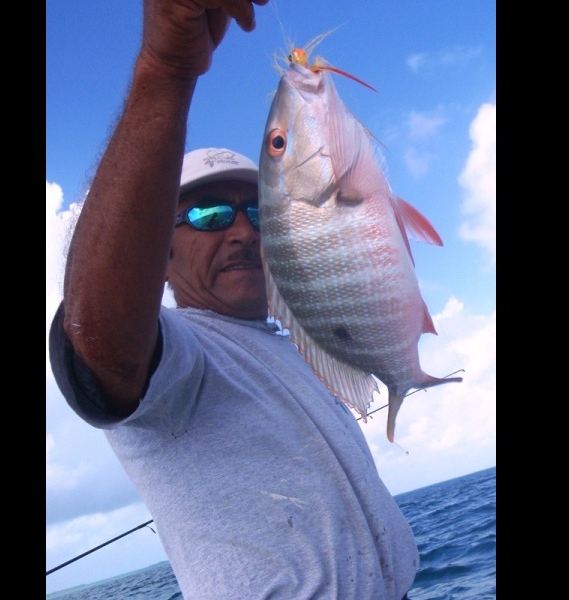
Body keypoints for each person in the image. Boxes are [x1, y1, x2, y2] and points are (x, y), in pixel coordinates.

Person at [49, 1, 419, 598]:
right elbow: (101, 342)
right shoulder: (180, 355)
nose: (242, 230)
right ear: (160, 251)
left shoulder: (294, 348)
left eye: (258, 212)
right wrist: (164, 70)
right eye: (208, 214)